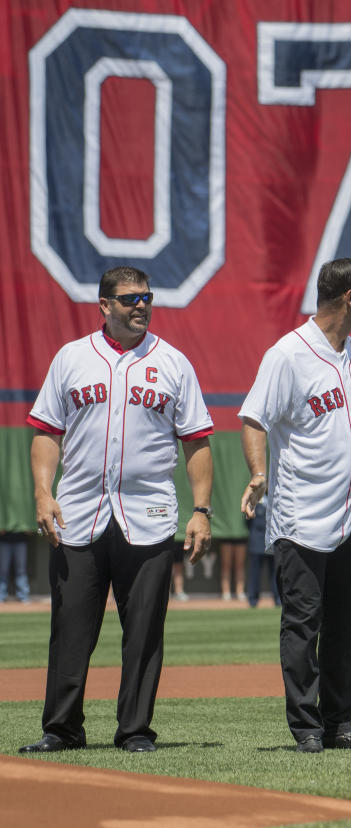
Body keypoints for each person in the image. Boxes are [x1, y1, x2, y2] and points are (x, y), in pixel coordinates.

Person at [20, 265, 214, 754]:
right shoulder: (72, 358)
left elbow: (197, 441)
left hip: (148, 515)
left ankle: (135, 730)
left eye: (146, 297)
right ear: (105, 305)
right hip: (79, 512)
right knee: (70, 628)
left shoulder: (172, 362)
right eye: (129, 299)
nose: (141, 306)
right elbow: (46, 432)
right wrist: (44, 494)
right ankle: (62, 729)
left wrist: (202, 510)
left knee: (145, 629)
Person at [239, 257, 351, 754]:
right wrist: (257, 474)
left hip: (349, 516)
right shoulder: (288, 354)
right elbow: (254, 418)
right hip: (302, 515)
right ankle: (307, 727)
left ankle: (339, 724)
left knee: (343, 627)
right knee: (302, 624)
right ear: (348, 298)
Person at [244, 495, 279, 608]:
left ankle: (278, 599)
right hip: (257, 542)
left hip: (273, 541)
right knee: (254, 573)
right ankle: (253, 600)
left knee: (276, 573)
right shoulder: (254, 500)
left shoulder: (276, 498)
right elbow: (247, 520)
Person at [0, 533, 31, 603]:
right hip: (4, 540)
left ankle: (24, 596)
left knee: (21, 570)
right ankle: (1, 596)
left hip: (20, 540)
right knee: (3, 570)